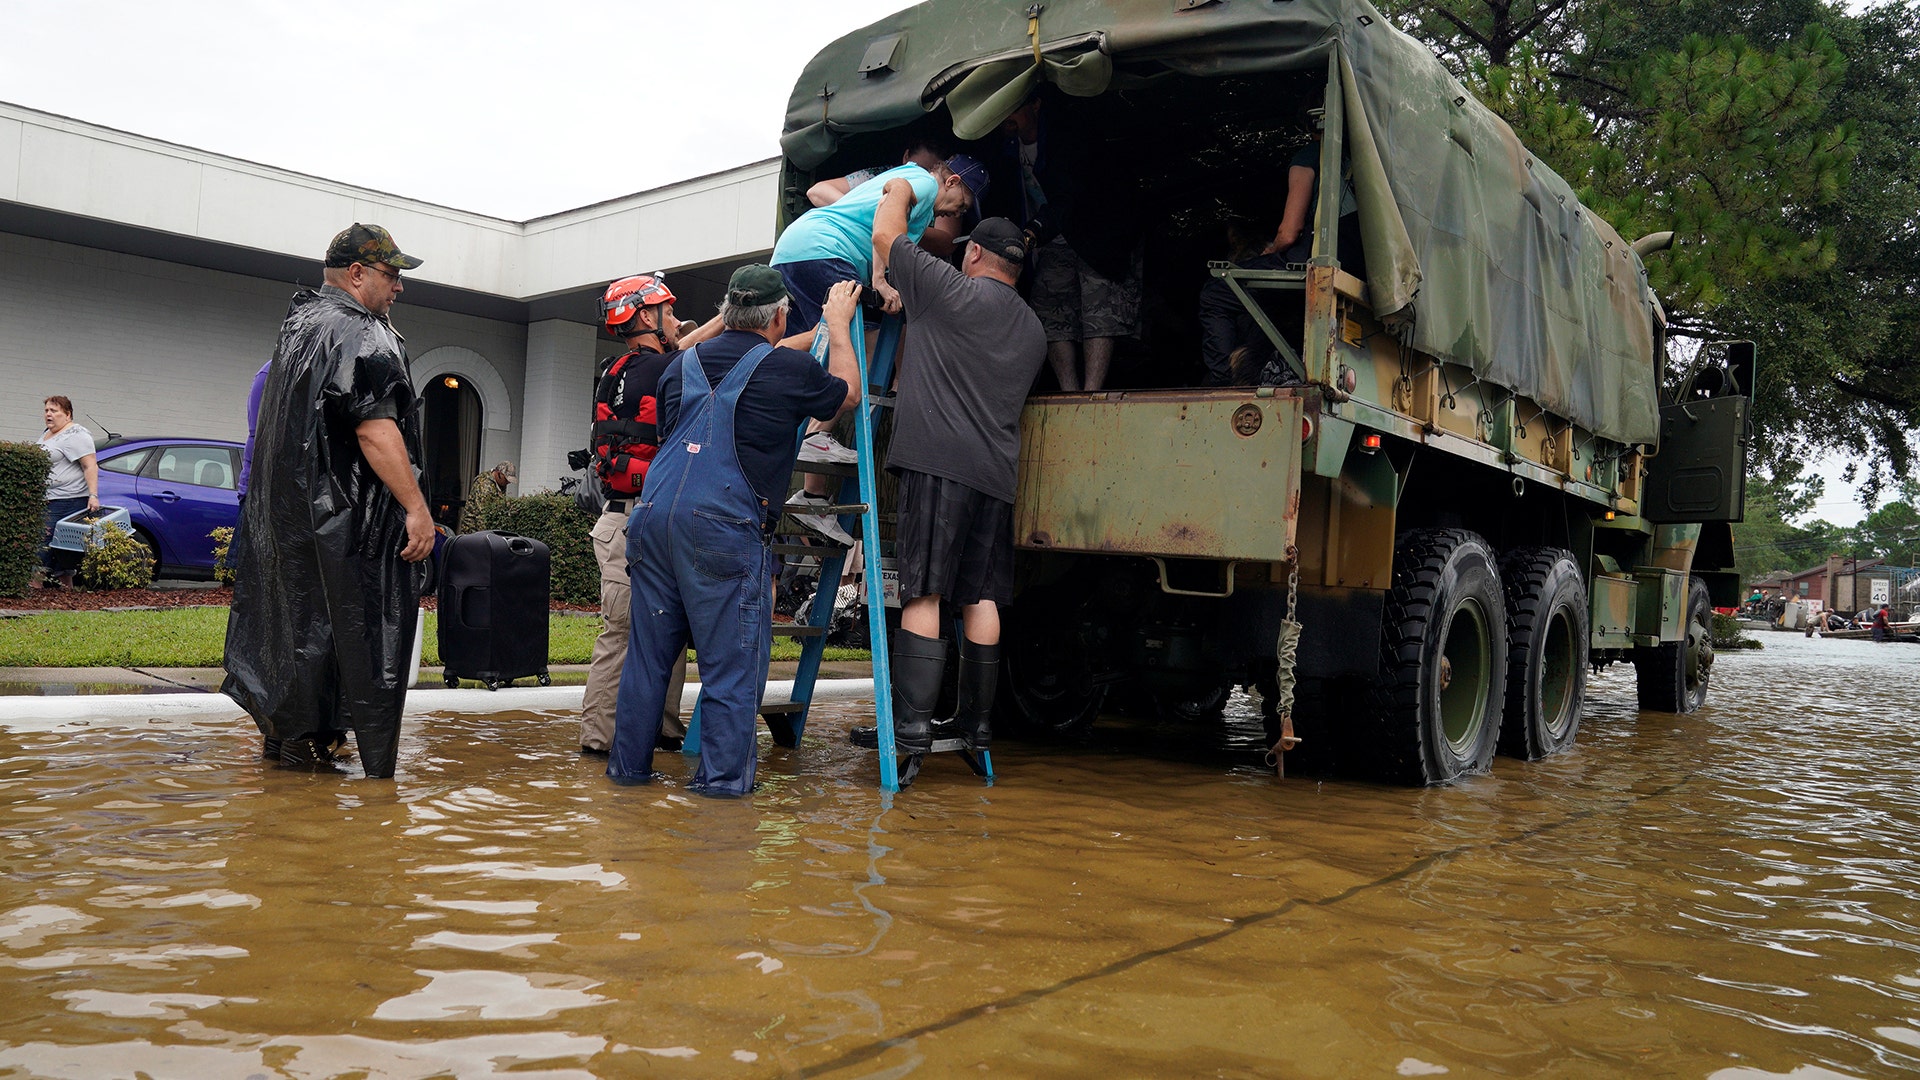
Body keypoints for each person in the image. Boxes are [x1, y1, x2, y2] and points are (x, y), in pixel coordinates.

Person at [607, 268, 862, 796]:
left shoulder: (678, 368)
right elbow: (847, 397)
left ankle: (627, 781)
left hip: (652, 521)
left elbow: (671, 435)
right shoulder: (788, 369)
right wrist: (838, 325)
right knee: (730, 670)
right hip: (721, 528)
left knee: (648, 663)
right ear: (777, 317)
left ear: (727, 313)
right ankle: (721, 798)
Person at [222, 224, 433, 778]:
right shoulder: (363, 332)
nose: (400, 287)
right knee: (344, 625)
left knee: (297, 622)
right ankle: (307, 746)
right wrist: (416, 507)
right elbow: (374, 430)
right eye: (391, 274)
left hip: (290, 519)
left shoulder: (299, 325)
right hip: (341, 520)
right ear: (358, 274)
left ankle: (286, 735)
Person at [872, 214, 1047, 756]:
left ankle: (911, 731)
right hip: (994, 475)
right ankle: (976, 727)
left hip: (936, 463)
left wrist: (903, 185)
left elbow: (885, 235)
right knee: (981, 596)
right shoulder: (1034, 330)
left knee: (924, 588)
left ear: (973, 255)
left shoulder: (946, 289)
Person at [772, 154, 987, 541]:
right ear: (952, 181)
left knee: (821, 350)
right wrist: (881, 282)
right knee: (860, 347)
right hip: (825, 249)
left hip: (800, 248)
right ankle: (815, 433)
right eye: (963, 204)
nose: (959, 212)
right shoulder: (919, 181)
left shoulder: (916, 209)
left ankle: (814, 495)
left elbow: (882, 223)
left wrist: (880, 276)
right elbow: (883, 226)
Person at [579, 274, 689, 757]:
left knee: (663, 628)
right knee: (628, 634)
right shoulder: (666, 368)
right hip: (633, 522)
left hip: (624, 518)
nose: (673, 318)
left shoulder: (614, 369)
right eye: (666, 311)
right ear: (647, 316)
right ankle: (600, 744)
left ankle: (661, 729)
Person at [983, 93, 1142, 392]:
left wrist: (1034, 231)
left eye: (1012, 107)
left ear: (1035, 102)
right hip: (1051, 236)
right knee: (1049, 310)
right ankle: (1069, 393)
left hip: (1096, 231)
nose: (1005, 118)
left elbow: (1071, 194)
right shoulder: (1003, 146)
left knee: (1099, 307)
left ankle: (1092, 393)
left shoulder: (1068, 134)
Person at [1196, 131, 1363, 386]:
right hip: (1354, 266)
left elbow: (1289, 230)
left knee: (1217, 290)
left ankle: (1222, 381)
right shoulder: (1363, 165)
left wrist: (1273, 249)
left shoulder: (1309, 156)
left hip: (1314, 258)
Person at [35, 396, 98, 590]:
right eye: (46, 410)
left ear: (68, 414)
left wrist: (93, 495)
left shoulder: (76, 434)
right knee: (58, 547)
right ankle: (66, 592)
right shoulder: (48, 433)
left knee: (43, 542)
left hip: (67, 499)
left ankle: (33, 585)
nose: (48, 414)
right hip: (48, 499)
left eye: (54, 411)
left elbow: (90, 466)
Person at [459, 461, 516, 533]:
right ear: (499, 474)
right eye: (506, 479)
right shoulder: (484, 484)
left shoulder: (499, 483)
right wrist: (487, 536)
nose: (508, 482)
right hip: (473, 530)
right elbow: (482, 514)